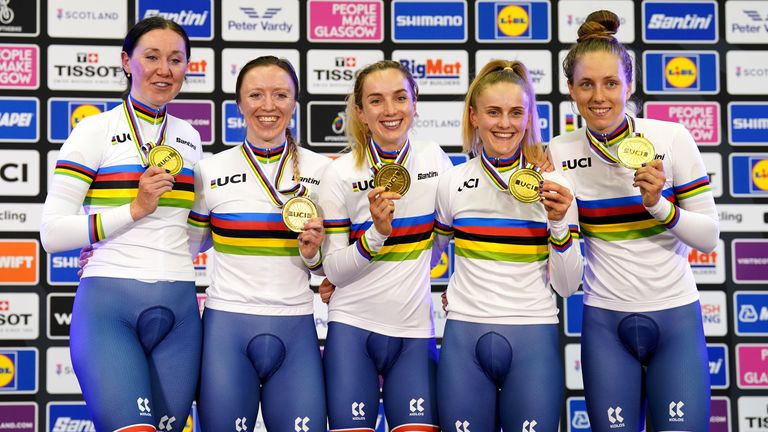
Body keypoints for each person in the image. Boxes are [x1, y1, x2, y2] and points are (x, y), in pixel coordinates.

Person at [548, 10, 719, 432]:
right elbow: (566, 281)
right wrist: (557, 225)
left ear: (629, 85)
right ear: (570, 89)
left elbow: (710, 236)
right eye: (586, 84)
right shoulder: (559, 149)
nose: (599, 96)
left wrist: (659, 205)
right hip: (604, 322)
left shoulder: (670, 138)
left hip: (674, 317)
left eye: (610, 83)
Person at [40, 17, 202, 432]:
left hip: (181, 310)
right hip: (110, 307)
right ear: (127, 62)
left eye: (175, 59)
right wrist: (133, 209)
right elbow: (52, 233)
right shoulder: (94, 130)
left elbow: (191, 233)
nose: (164, 69)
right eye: (151, 57)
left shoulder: (189, 137)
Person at [433, 60, 582, 432]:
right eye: (493, 112)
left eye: (516, 112)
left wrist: (560, 223)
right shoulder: (452, 182)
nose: (505, 123)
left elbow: (566, 286)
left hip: (533, 333)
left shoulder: (555, 183)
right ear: (473, 116)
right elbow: (425, 258)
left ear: (529, 116)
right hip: (464, 334)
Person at [188, 56, 330, 431]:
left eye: (280, 95)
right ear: (239, 105)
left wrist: (314, 256)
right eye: (256, 95)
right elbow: (183, 247)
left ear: (294, 103)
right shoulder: (210, 171)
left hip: (297, 327)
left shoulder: (323, 171)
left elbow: (331, 264)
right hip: (226, 331)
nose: (268, 106)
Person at [317, 60, 453, 432]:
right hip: (353, 329)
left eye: (399, 98)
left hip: (414, 332)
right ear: (360, 113)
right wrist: (377, 234)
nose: (390, 111)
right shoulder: (341, 172)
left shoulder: (435, 160)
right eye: (376, 101)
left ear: (415, 103)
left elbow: (444, 238)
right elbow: (333, 270)